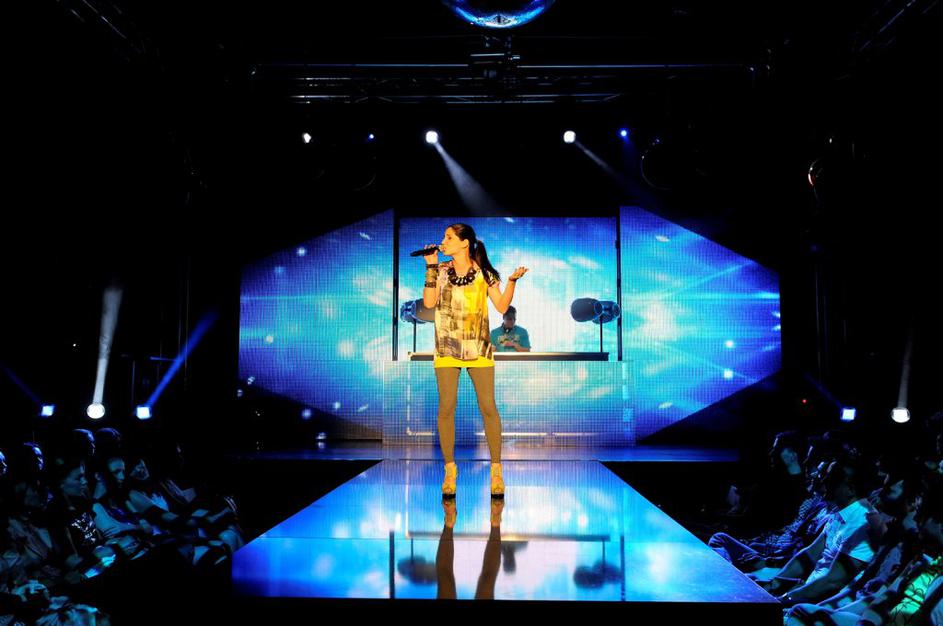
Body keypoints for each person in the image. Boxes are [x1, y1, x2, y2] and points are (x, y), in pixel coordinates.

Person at [422, 223, 528, 498]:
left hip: (478, 347)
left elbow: (502, 306)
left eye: (449, 237)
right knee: (446, 406)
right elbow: (429, 303)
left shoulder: (484, 273)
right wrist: (431, 266)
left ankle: (496, 471)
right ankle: (450, 471)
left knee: (488, 407)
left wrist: (512, 282)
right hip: (447, 347)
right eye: (444, 237)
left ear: (464, 243)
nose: (443, 241)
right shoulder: (440, 270)